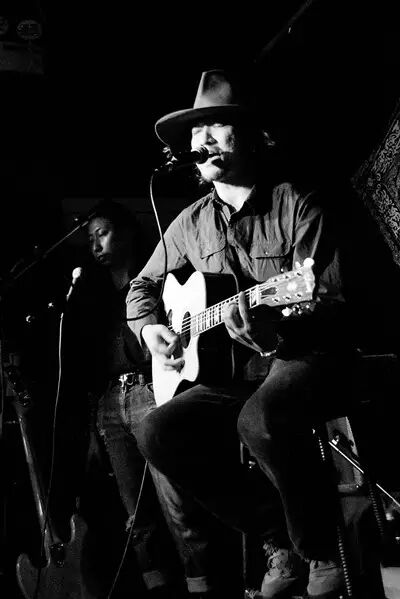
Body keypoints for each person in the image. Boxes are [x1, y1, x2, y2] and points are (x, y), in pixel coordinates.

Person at [126, 69, 355, 599]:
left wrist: (279, 330)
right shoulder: (189, 222)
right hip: (234, 372)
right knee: (157, 432)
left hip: (303, 355)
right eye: (195, 131)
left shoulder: (298, 203)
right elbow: (142, 284)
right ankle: (275, 536)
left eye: (216, 126)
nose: (202, 140)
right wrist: (151, 327)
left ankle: (317, 547)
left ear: (251, 136)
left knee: (260, 418)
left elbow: (327, 297)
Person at [70, 199, 184, 598]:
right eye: (90, 238)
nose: (96, 245)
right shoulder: (91, 293)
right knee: (137, 514)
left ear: (127, 231)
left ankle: (201, 583)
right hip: (110, 401)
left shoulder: (158, 278)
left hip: (151, 389)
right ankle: (158, 587)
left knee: (176, 501)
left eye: (102, 233)